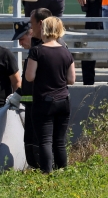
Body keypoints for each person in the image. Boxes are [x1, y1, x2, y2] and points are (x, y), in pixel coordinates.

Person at [24, 16, 76, 173]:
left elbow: (29, 77)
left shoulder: (37, 51)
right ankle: (63, 172)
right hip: (64, 100)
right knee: (59, 141)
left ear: (43, 29)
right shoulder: (66, 52)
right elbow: (71, 80)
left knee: (45, 141)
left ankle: (47, 174)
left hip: (44, 101)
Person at [6, 8, 51, 169]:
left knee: (41, 143)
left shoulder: (43, 49)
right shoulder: (34, 51)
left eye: (22, 38)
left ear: (31, 32)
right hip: (31, 106)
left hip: (41, 104)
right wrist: (18, 94)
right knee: (30, 143)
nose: (20, 43)